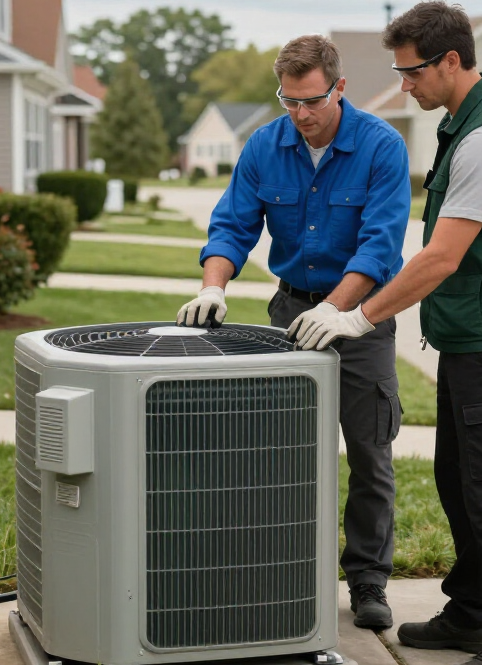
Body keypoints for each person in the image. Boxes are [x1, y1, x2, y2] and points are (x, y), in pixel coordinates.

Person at [289, 1, 482, 665]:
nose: (403, 86)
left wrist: (359, 318)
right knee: (460, 482)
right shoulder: (462, 124)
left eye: (412, 72)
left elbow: (440, 258)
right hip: (475, 336)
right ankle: (471, 613)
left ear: (449, 61)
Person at [176, 34, 411, 630]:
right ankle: (284, 572)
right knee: (281, 455)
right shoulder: (265, 145)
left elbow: (381, 245)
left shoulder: (381, 147)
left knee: (369, 455)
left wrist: (336, 311)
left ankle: (366, 583)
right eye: (289, 101)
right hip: (289, 315)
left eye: (311, 101)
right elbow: (232, 225)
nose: (301, 115)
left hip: (362, 321)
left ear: (338, 87)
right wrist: (213, 287)